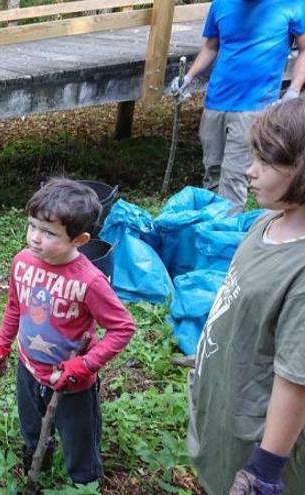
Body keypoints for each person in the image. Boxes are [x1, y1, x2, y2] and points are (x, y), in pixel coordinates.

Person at [188, 99, 305, 495]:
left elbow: (296, 379)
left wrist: (265, 469)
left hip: (254, 439)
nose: (249, 172)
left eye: (267, 163)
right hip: (226, 409)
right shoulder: (269, 221)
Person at [0, 179, 135, 486]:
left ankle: (84, 483)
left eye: (49, 233)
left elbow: (122, 328)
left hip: (71, 382)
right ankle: (35, 465)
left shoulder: (89, 281)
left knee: (78, 441)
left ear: (79, 240)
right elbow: (15, 307)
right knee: (31, 428)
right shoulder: (22, 263)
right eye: (32, 227)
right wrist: (1, 346)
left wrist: (84, 366)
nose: (36, 239)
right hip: (28, 368)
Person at [168, 1, 305, 214]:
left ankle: (227, 238)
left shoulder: (292, 4)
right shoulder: (221, 4)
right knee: (212, 171)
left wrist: (294, 90)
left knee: (233, 177)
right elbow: (211, 46)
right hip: (216, 101)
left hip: (255, 106)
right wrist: (188, 77)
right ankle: (212, 230)